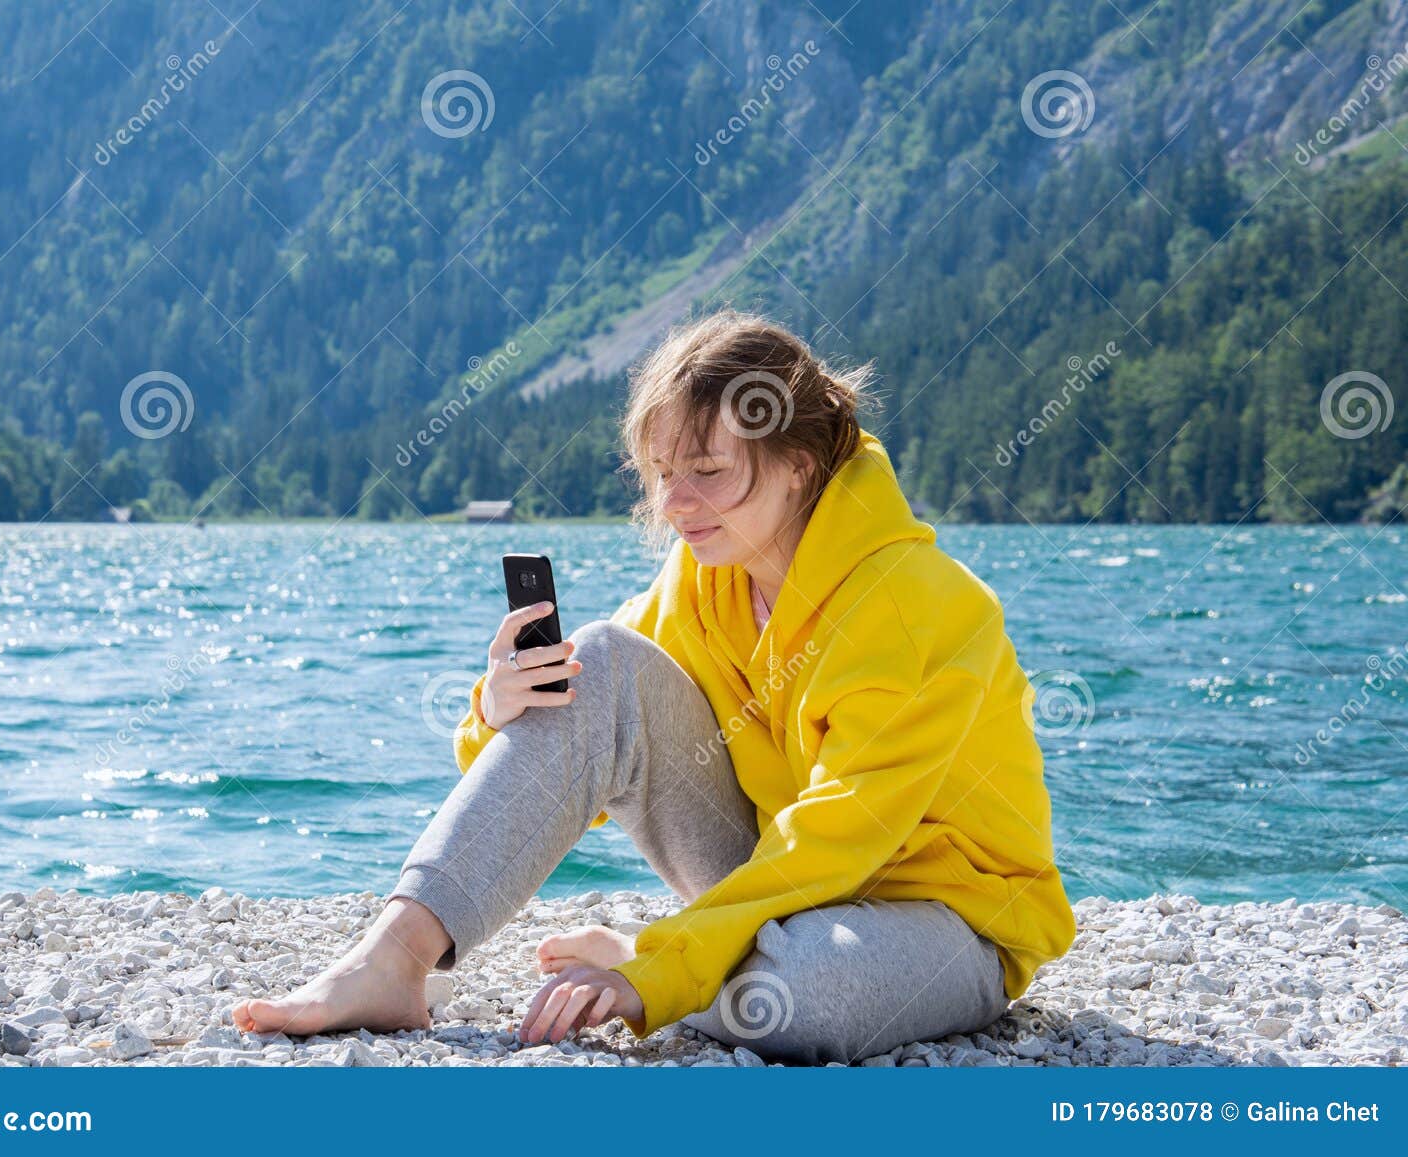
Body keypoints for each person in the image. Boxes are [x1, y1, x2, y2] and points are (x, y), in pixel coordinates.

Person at [232, 309, 1078, 1065]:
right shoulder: (705, 577)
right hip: (769, 880)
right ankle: (391, 959)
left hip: (948, 917)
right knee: (596, 657)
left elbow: (837, 842)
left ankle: (666, 950)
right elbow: (583, 736)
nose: (675, 502)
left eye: (706, 470)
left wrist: (659, 970)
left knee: (803, 989)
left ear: (799, 463)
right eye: (661, 470)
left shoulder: (915, 606)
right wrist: (494, 710)